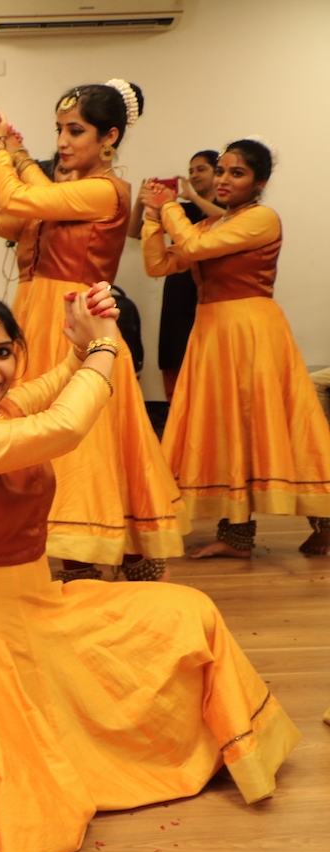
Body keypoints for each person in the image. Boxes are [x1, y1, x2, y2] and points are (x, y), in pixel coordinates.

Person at [0, 289, 300, 852]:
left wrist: (83, 341)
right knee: (19, 801)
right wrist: (108, 346)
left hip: (33, 606)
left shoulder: (0, 413)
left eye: (3, 352)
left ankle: (229, 744)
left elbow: (55, 384)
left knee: (187, 612)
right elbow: (63, 426)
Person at [0, 82, 187, 581]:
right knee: (44, 431)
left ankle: (95, 556)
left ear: (109, 137)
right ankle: (91, 555)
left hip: (75, 320)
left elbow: (22, 195)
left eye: (76, 131)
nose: (63, 142)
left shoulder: (105, 190)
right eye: (59, 131)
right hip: (35, 315)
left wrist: (3, 149)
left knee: (83, 437)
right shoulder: (58, 196)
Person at [141, 139, 330, 558]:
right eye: (222, 171)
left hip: (252, 333)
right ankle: (236, 534)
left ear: (259, 183)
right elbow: (159, 265)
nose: (224, 179)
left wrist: (169, 207)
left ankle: (325, 519)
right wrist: (153, 218)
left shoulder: (262, 219)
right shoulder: (212, 224)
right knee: (226, 429)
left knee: (271, 423)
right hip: (212, 334)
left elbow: (193, 248)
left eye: (237, 173)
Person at [129, 149, 223, 401]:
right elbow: (133, 231)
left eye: (201, 169)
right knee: (175, 350)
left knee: (210, 355)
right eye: (191, 170)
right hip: (179, 284)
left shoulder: (229, 210)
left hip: (213, 288)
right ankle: (177, 410)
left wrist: (191, 197)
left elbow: (224, 221)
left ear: (218, 173)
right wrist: (142, 201)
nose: (194, 175)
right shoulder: (181, 209)